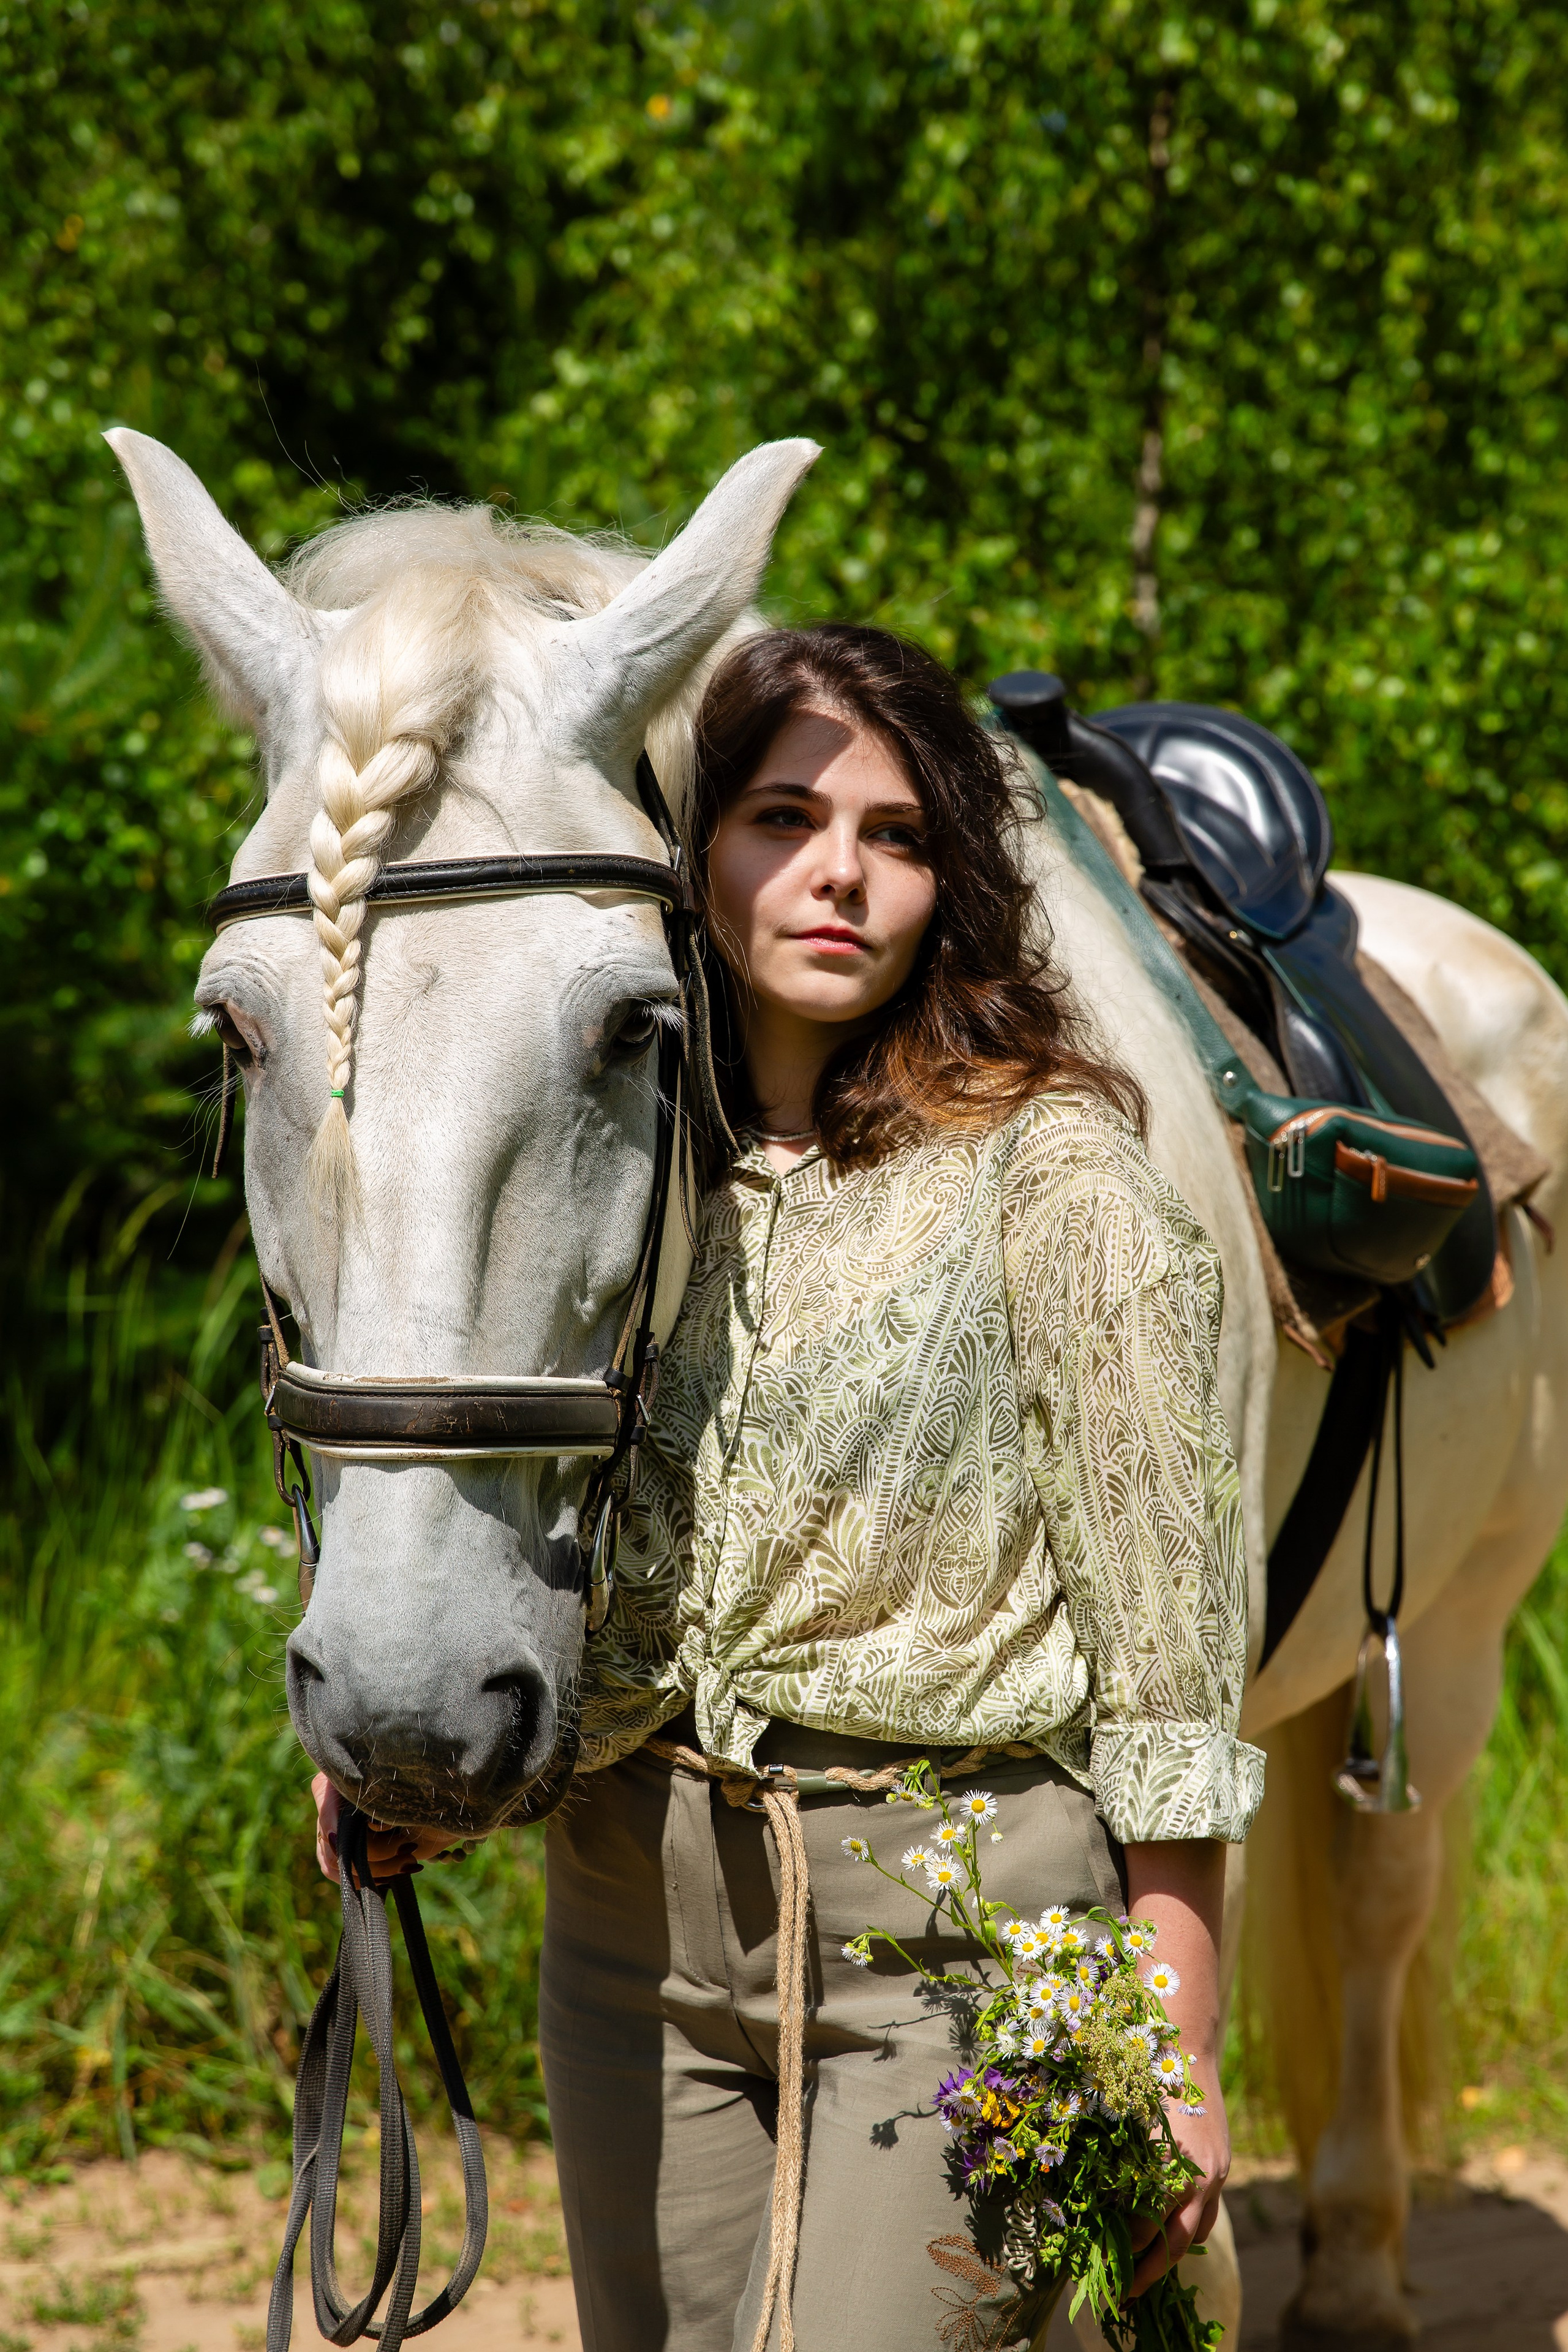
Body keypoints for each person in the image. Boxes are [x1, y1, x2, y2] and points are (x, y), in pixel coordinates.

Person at [314, 624, 1263, 2352]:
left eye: (899, 838)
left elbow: (1173, 1665)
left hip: (950, 1929)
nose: (841, 876)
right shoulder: (625, 1177)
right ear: (693, 853)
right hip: (624, 1917)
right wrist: (445, 1764)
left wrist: (1176, 2035)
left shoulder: (1060, 1177)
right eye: (782, 818)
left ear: (950, 881)